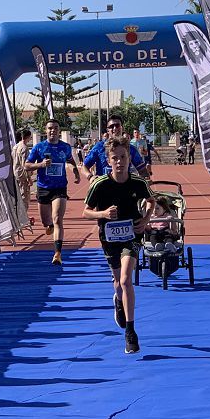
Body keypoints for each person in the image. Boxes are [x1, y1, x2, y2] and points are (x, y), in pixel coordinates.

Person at [83, 136, 155, 354]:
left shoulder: (138, 183)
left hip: (132, 235)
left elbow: (152, 200)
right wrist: (103, 213)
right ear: (108, 160)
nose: (120, 162)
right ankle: (118, 300)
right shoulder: (100, 185)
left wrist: (145, 219)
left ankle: (131, 333)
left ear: (129, 158)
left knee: (126, 279)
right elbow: (85, 212)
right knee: (117, 282)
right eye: (115, 158)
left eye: (123, 157)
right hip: (109, 238)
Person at [26, 119, 80, 265]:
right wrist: (41, 164)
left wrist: (75, 171)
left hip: (60, 188)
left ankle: (57, 253)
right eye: (50, 128)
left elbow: (70, 160)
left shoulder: (65, 147)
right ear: (46, 130)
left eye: (55, 128)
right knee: (46, 221)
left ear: (59, 131)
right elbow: (26, 165)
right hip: (43, 187)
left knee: (57, 219)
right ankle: (48, 226)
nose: (53, 131)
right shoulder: (39, 147)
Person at [13, 128, 34, 211]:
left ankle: (19, 215)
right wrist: (29, 178)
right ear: (27, 137)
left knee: (18, 196)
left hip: (15, 173)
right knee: (24, 196)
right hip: (22, 175)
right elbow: (25, 165)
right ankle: (23, 217)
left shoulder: (15, 146)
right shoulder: (24, 148)